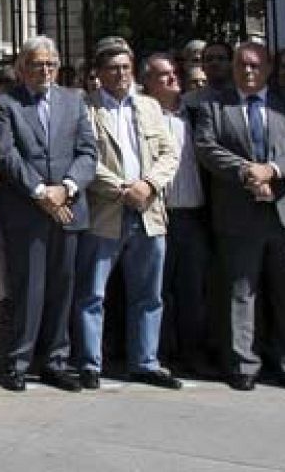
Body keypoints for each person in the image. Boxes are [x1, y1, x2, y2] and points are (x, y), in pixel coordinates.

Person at [0, 36, 98, 392]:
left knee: (62, 288)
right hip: (26, 209)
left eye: (51, 64)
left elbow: (87, 153)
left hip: (67, 208)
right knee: (27, 289)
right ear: (22, 68)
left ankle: (55, 361)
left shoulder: (74, 100)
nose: (45, 70)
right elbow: (5, 154)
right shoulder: (6, 104)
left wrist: (66, 187)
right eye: (37, 64)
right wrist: (39, 191)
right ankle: (17, 361)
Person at [73, 38, 182, 390]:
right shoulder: (85, 108)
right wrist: (123, 188)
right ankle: (90, 363)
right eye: (112, 68)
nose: (120, 74)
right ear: (99, 73)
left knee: (149, 294)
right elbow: (87, 158)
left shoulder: (150, 107)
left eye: (125, 67)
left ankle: (145, 361)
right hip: (107, 212)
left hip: (149, 212)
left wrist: (148, 185)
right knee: (93, 294)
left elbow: (170, 153)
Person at [194, 41, 285, 391]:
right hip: (238, 214)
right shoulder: (215, 106)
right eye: (242, 65)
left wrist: (273, 170)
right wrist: (249, 173)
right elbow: (207, 149)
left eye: (255, 65)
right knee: (241, 291)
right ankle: (243, 363)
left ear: (268, 68)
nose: (248, 71)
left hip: (284, 214)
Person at [141, 52, 213, 377]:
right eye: (163, 75)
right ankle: (158, 353)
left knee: (192, 292)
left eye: (174, 73)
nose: (172, 79)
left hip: (192, 215)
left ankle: (192, 353)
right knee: (156, 290)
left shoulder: (195, 114)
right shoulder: (141, 116)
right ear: (147, 82)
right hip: (158, 214)